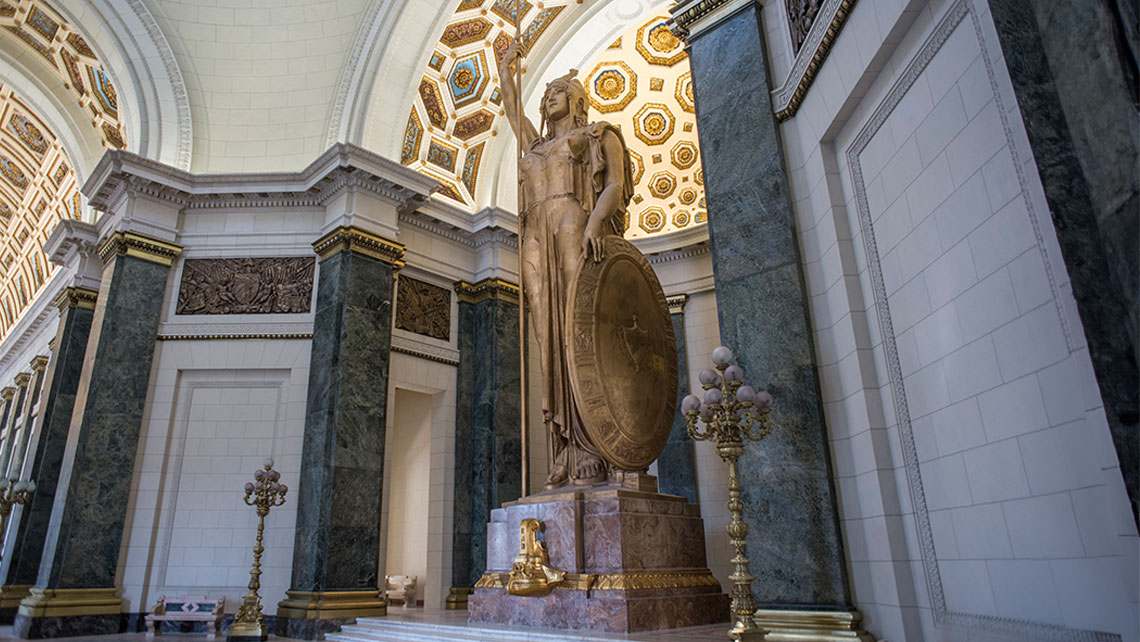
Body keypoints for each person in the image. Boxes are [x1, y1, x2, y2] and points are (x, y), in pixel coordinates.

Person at [499, 43, 634, 488]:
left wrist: (597, 221)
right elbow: (515, 109)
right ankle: (563, 445)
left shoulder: (598, 134)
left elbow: (614, 183)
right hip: (535, 235)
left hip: (574, 221)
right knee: (548, 337)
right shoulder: (536, 144)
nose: (548, 97)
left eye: (557, 90)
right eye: (546, 93)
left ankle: (593, 445)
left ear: (576, 99)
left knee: (579, 331)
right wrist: (506, 69)